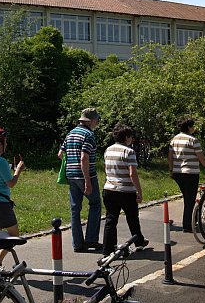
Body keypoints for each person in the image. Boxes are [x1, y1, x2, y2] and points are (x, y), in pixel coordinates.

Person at [60, 108, 104, 253]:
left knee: (75, 209)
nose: (97, 123)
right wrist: (88, 181)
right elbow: (84, 158)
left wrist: (71, 162)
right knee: (95, 204)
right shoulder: (89, 135)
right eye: (96, 120)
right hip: (86, 175)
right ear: (91, 121)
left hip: (71, 175)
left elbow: (60, 154)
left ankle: (78, 244)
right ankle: (91, 239)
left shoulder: (71, 133)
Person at [101, 125, 147, 249]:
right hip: (126, 190)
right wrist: (139, 191)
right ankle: (139, 242)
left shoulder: (108, 150)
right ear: (126, 137)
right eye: (131, 136)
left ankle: (108, 248)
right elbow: (133, 173)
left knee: (111, 219)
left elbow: (106, 169)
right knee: (132, 218)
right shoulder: (129, 151)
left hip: (109, 189)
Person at [167, 118, 205, 231]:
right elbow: (201, 156)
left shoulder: (174, 139)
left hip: (177, 172)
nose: (194, 128)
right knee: (190, 200)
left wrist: (171, 170)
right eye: (192, 126)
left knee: (188, 198)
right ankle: (187, 225)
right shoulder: (193, 140)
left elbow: (170, 157)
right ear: (189, 127)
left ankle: (193, 219)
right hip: (190, 172)